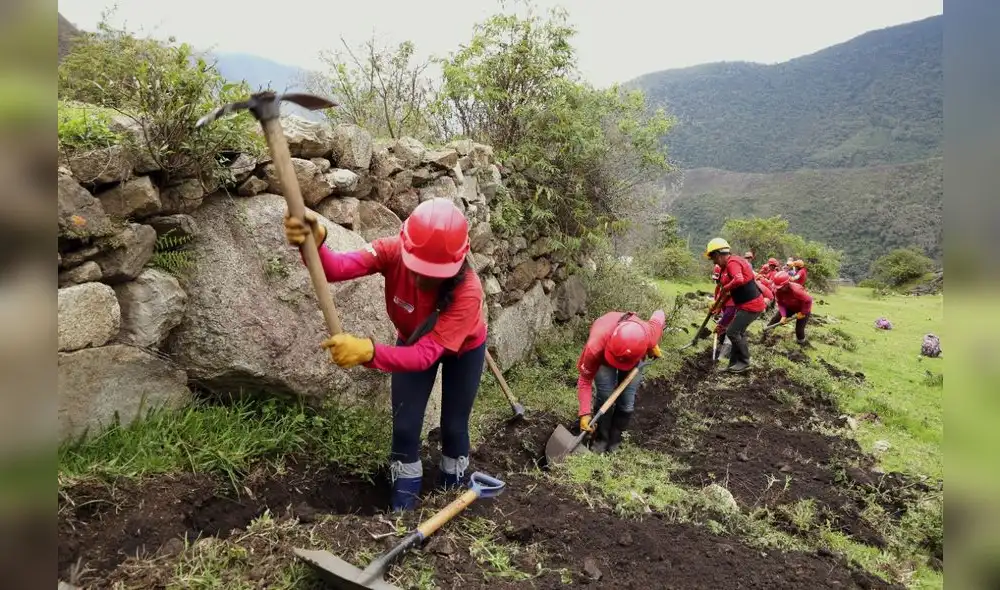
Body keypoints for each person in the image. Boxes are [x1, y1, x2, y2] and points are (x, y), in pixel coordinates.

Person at [283, 198, 487, 511]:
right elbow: (335, 269)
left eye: (434, 273)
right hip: (413, 339)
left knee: (454, 425)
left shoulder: (468, 292)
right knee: (405, 427)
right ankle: (402, 510)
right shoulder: (392, 250)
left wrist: (368, 351)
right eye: (418, 268)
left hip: (463, 350)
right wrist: (316, 242)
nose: (422, 278)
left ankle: (450, 495)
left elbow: (423, 356)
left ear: (456, 263)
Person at [576, 310, 665, 454]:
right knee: (605, 395)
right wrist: (584, 413)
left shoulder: (650, 334)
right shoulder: (595, 347)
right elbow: (585, 380)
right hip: (604, 357)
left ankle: (615, 441)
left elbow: (659, 314)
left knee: (627, 400)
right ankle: (601, 439)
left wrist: (652, 345)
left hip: (635, 359)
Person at [705, 238, 766, 372]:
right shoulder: (726, 267)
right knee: (738, 332)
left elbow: (739, 280)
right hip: (744, 305)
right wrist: (719, 306)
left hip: (752, 305)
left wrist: (726, 287)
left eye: (713, 258)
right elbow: (728, 293)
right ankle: (733, 365)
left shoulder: (733, 262)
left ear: (718, 254)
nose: (714, 262)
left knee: (732, 332)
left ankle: (744, 361)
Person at [767, 271, 813, 345]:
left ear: (787, 283)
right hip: (789, 307)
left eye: (781, 287)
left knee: (799, 330)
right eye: (778, 287)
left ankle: (802, 343)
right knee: (775, 319)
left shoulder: (796, 290)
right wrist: (783, 316)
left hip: (803, 309)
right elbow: (780, 304)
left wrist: (803, 312)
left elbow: (808, 300)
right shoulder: (778, 291)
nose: (780, 289)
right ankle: (765, 336)